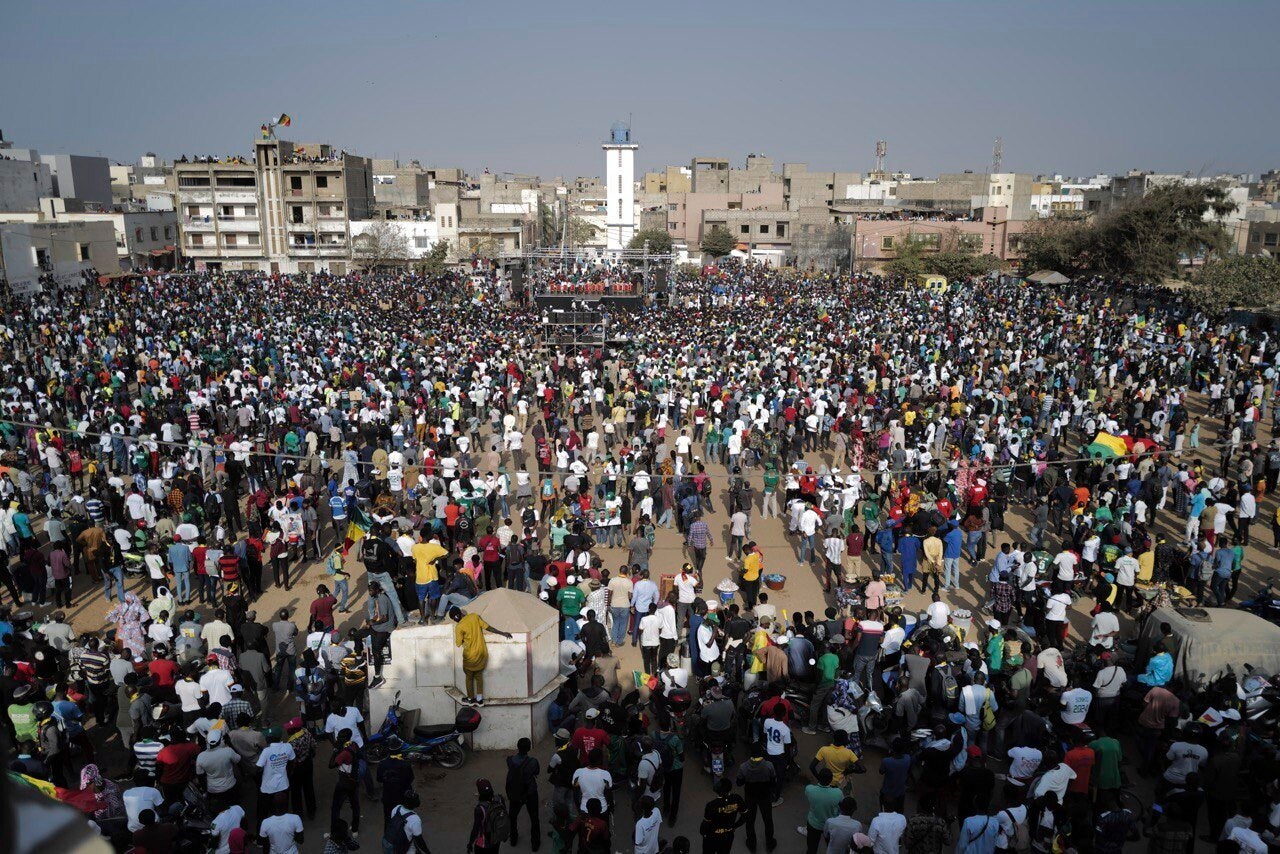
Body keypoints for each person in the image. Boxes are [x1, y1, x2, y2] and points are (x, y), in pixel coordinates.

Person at [450, 606, 514, 705]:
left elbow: (458, 643)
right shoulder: (474, 616)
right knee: (479, 676)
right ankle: (479, 700)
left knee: (469, 678)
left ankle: (470, 699)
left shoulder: (459, 627)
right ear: (461, 613)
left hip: (469, 657)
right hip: (481, 654)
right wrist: (503, 633)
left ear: (454, 619)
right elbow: (488, 627)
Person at [505, 737, 541, 851]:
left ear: (518, 747)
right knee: (534, 818)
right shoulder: (533, 762)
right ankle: (535, 844)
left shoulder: (510, 760)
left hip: (515, 792)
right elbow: (537, 772)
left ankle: (513, 839)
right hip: (530, 792)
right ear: (529, 748)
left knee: (512, 817)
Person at [799, 768, 843, 854]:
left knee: (812, 848)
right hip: (830, 825)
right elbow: (841, 804)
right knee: (831, 847)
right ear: (831, 780)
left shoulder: (810, 789)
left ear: (819, 778)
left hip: (813, 824)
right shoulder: (838, 793)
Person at [700, 777, 746, 854]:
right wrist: (734, 826)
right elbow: (745, 815)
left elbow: (705, 824)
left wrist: (703, 833)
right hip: (728, 836)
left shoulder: (712, 805)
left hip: (712, 837)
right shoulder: (737, 799)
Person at [466, 778, 508, 854]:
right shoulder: (500, 799)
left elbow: (476, 829)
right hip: (496, 839)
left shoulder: (480, 809)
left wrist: (470, 844)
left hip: (483, 844)